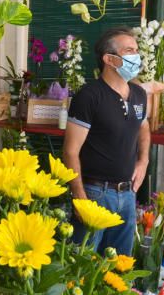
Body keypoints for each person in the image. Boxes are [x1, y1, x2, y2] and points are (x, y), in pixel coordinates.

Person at [63, 27, 150, 255]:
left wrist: (143, 161)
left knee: (119, 266)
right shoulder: (89, 97)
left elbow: (144, 127)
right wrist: (80, 198)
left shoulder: (139, 94)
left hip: (128, 194)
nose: (136, 56)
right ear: (110, 59)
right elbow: (70, 152)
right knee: (84, 264)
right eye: (129, 51)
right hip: (95, 193)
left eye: (137, 51)